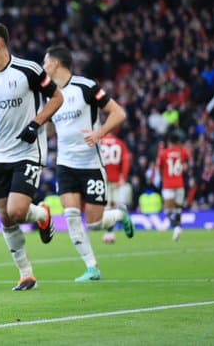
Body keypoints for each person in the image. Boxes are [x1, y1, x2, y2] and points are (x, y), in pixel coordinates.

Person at [0, 21, 63, 291]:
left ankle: (41, 214)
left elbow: (57, 98)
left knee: (16, 211)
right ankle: (26, 273)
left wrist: (36, 123)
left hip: (27, 150)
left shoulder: (28, 70)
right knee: (5, 217)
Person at [43, 45, 134, 282]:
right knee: (72, 215)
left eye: (45, 63)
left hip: (91, 163)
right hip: (65, 165)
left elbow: (119, 113)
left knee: (94, 223)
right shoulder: (50, 95)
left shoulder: (86, 87)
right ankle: (92, 268)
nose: (43, 68)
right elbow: (52, 129)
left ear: (55, 63)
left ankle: (120, 215)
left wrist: (100, 133)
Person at [156, 129, 191, 241]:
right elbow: (189, 160)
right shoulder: (183, 151)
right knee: (178, 209)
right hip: (180, 184)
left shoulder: (164, 153)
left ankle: (176, 227)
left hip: (168, 184)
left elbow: (159, 167)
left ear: (169, 142)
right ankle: (179, 228)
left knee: (168, 210)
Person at [99, 132, 133, 243]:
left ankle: (110, 233)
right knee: (116, 206)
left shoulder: (99, 141)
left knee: (107, 208)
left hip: (103, 179)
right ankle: (114, 230)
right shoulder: (120, 143)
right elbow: (126, 160)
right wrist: (124, 176)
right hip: (117, 179)